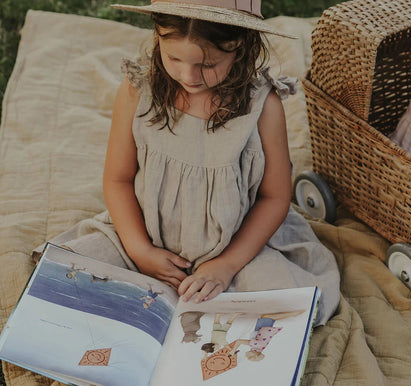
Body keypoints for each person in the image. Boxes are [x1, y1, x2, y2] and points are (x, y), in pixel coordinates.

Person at [34, 0, 340, 325]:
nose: (188, 75)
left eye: (207, 64)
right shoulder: (139, 90)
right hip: (145, 237)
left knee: (290, 305)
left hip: (238, 245)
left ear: (241, 45)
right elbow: (118, 180)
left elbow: (275, 197)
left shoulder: (262, 106)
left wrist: (226, 265)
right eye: (173, 58)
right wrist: (141, 252)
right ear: (158, 38)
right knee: (65, 276)